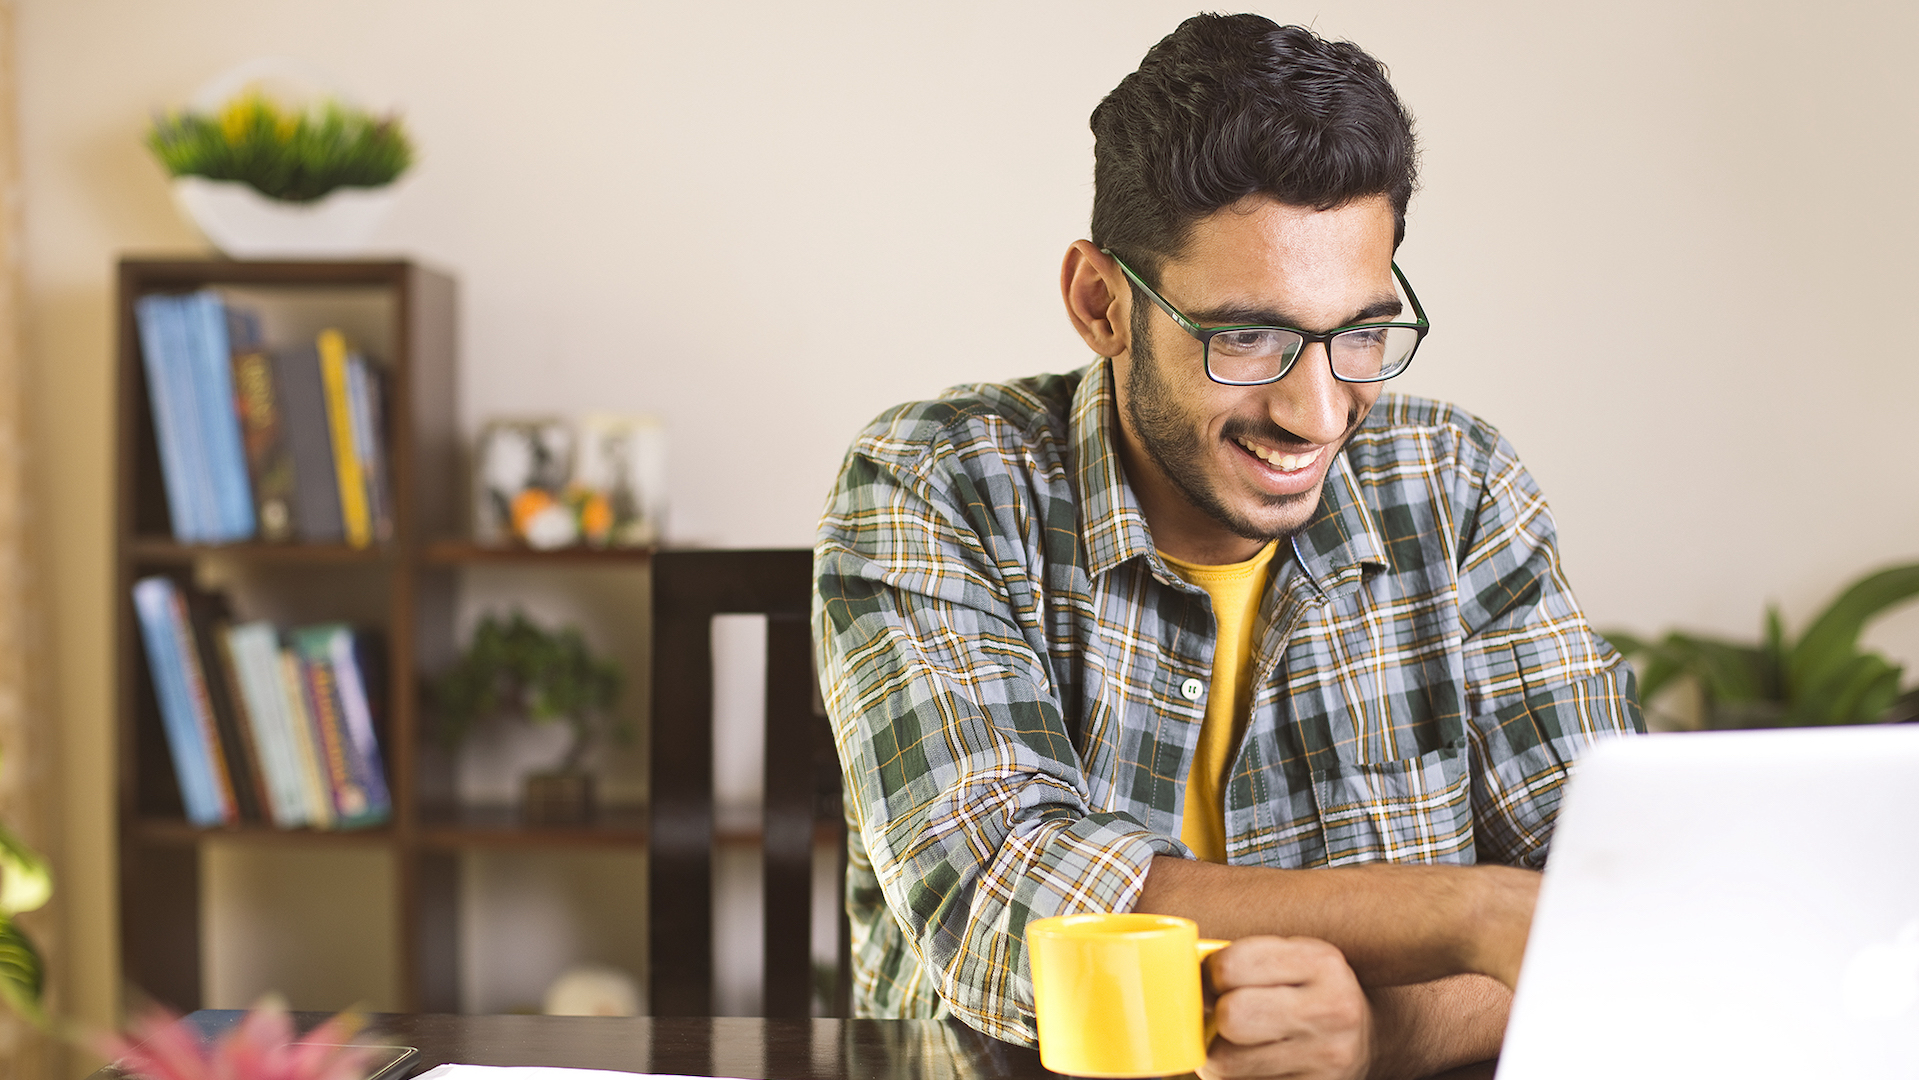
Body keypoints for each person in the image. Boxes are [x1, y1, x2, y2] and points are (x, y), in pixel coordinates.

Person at [813, 13, 1641, 1080]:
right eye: (1245, 335)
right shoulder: (937, 480)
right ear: (1100, 303)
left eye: (1358, 333)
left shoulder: (1459, 487)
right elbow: (1001, 907)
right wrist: (1467, 908)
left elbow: (1616, 915)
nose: (1315, 411)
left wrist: (1377, 1033)